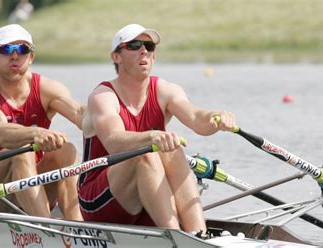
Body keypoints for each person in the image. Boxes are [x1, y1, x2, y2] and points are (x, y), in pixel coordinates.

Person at [79, 24, 236, 233]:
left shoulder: (166, 90)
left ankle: (198, 233)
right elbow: (114, 142)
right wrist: (152, 137)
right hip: (99, 200)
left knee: (172, 148)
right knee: (147, 154)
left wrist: (215, 117)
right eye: (134, 45)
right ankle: (176, 238)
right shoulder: (102, 97)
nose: (144, 50)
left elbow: (198, 119)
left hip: (146, 198)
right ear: (116, 57)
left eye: (149, 46)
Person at [0, 24, 83, 220]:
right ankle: (47, 230)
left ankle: (78, 227)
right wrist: (34, 133)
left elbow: (82, 115)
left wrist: (112, 120)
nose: (15, 56)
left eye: (22, 49)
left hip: (33, 185)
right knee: (21, 150)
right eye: (6, 49)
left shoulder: (48, 89)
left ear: (31, 57)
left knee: (66, 149)